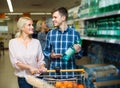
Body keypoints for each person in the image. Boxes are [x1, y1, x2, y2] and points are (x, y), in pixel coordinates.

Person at [43, 7, 82, 79]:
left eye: (55, 17)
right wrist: (51, 55)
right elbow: (45, 52)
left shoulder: (76, 34)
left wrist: (77, 52)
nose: (52, 20)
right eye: (52, 17)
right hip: (54, 74)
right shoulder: (50, 34)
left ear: (63, 18)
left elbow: (79, 56)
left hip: (70, 74)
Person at [9, 17, 47, 88]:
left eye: (32, 25)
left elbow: (40, 59)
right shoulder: (13, 43)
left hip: (38, 76)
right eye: (29, 25)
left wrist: (42, 67)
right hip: (23, 78)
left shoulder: (36, 42)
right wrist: (30, 67)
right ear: (22, 27)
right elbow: (15, 62)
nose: (32, 27)